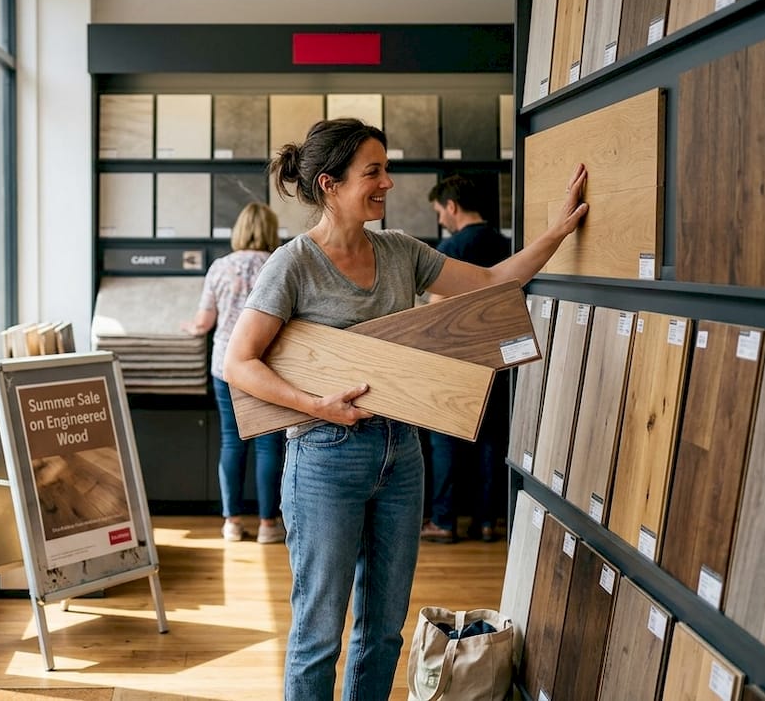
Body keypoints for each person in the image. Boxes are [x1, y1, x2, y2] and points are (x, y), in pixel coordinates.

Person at [222, 117, 587, 700]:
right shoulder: (292, 264)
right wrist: (315, 404)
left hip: (402, 454)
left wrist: (557, 233)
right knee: (319, 633)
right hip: (324, 457)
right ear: (329, 184)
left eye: (385, 169)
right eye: (373, 172)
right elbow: (240, 362)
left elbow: (494, 282)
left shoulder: (399, 252)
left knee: (384, 633)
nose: (388, 183)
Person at [182, 202, 287, 544]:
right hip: (267, 365)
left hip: (226, 365)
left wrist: (188, 326)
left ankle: (232, 522)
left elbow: (204, 322)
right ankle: (269, 525)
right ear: (270, 230)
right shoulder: (279, 264)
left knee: (232, 440)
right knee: (269, 443)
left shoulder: (220, 267)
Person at [420, 174, 513, 545]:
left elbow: (436, 309)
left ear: (452, 207)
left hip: (456, 360)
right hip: (498, 356)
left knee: (445, 441)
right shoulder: (505, 244)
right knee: (492, 440)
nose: (441, 218)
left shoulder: (452, 247)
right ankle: (487, 521)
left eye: (440, 211)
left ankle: (444, 521)